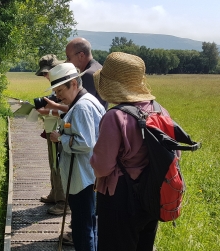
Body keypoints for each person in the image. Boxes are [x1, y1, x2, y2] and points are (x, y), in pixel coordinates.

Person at [90, 52, 167, 251]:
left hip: (120, 196)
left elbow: (102, 167)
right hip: (153, 194)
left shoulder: (115, 116)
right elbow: (173, 154)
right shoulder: (160, 110)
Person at [48, 62, 106, 251]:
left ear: (73, 83)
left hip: (82, 177)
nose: (58, 96)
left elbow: (85, 143)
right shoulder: (86, 101)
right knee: (88, 224)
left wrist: (60, 138)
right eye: (55, 91)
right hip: (87, 175)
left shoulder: (81, 107)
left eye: (60, 90)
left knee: (82, 229)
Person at [34, 54, 70, 216]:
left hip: (61, 129)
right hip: (52, 128)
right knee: (52, 163)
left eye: (46, 72)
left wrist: (47, 110)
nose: (45, 76)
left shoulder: (65, 82)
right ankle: (55, 193)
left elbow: (67, 108)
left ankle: (63, 202)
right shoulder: (58, 82)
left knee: (59, 164)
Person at [65, 37, 108, 110]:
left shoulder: (88, 74)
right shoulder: (99, 68)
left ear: (81, 56)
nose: (67, 61)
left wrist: (53, 108)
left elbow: (82, 106)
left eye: (69, 58)